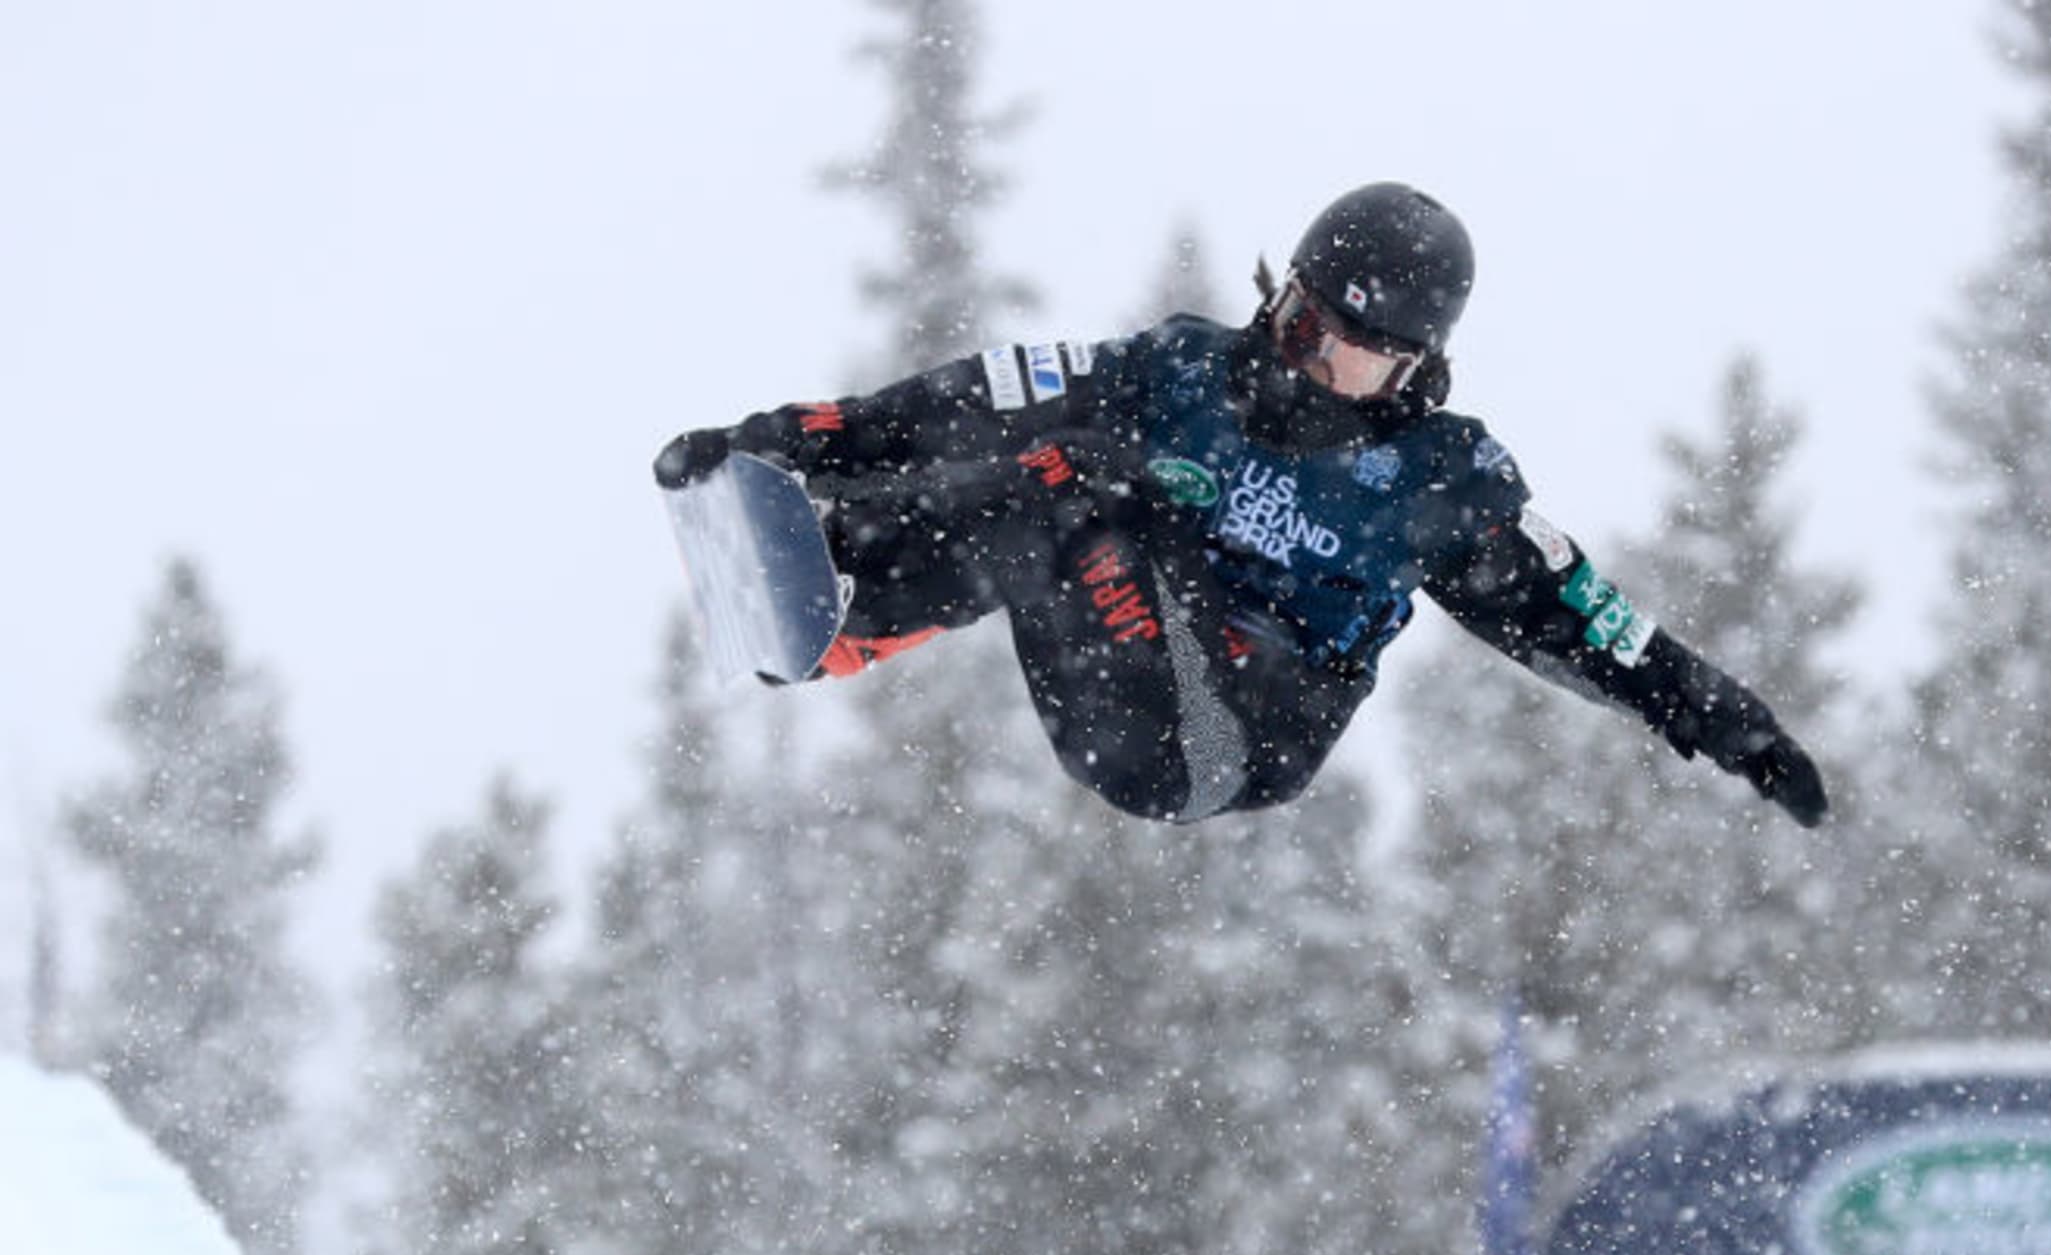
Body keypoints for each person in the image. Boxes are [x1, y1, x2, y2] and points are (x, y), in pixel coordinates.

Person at [654, 181, 1829, 830]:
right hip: (1121, 666)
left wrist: (1733, 727)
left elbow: (1588, 624)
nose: (1310, 368)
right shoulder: (1174, 374)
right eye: (1301, 327)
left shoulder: (1439, 482)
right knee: (1053, 473)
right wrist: (786, 442)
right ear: (1279, 297)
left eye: (1352, 359)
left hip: (1228, 734)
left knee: (1074, 491)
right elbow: (976, 399)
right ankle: (834, 588)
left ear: (1412, 370)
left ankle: (852, 605)